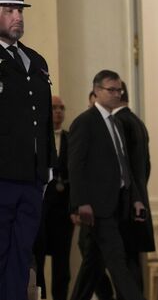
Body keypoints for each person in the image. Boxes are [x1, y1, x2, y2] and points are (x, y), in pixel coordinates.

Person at [0, 0, 56, 300]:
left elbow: (44, 119)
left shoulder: (36, 60)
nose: (17, 17)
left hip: (32, 178)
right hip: (2, 176)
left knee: (22, 255)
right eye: (8, 10)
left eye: (19, 10)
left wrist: (49, 165)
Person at [68, 70, 146, 300]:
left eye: (119, 90)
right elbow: (76, 165)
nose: (116, 94)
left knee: (92, 264)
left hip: (118, 203)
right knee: (117, 260)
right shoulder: (85, 122)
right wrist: (80, 202)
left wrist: (136, 198)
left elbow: (124, 164)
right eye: (111, 90)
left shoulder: (116, 123)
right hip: (97, 206)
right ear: (96, 91)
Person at [114, 81, 156, 296]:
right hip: (140, 199)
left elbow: (122, 166)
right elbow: (146, 166)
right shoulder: (138, 123)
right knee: (132, 263)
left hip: (124, 204)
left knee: (124, 263)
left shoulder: (118, 122)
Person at [36, 96, 74, 300]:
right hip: (40, 208)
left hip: (64, 210)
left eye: (62, 108)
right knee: (38, 257)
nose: (58, 112)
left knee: (62, 261)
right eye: (54, 108)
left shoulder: (71, 138)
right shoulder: (36, 137)